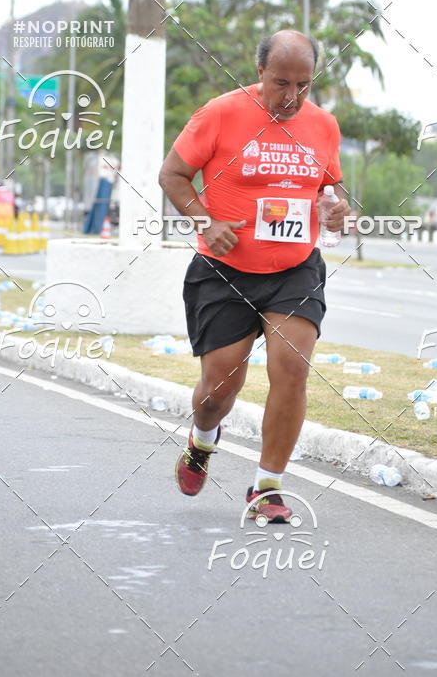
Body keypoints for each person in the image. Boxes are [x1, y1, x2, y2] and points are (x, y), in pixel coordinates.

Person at [158, 30, 351, 523]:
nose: (291, 97)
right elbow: (172, 175)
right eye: (281, 82)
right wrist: (205, 220)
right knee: (217, 392)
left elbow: (329, 187)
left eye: (303, 85)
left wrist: (336, 209)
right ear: (259, 71)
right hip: (223, 270)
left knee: (291, 367)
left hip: (294, 269)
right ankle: (203, 440)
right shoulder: (220, 113)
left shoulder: (323, 126)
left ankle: (267, 487)